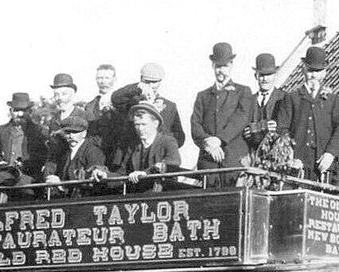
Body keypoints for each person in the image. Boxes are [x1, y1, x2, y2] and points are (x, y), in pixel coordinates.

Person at [190, 43, 253, 187]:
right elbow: (195, 125)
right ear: (212, 66)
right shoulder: (203, 96)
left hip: (233, 162)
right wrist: (208, 143)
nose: (221, 70)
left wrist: (219, 140)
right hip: (208, 164)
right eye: (218, 66)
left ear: (231, 65)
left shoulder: (243, 92)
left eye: (224, 66)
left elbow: (241, 119)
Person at [275, 46, 339, 179]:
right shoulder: (292, 98)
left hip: (323, 164)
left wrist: (330, 154)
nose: (313, 75)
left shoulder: (332, 100)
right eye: (310, 70)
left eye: (318, 71)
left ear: (324, 73)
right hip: (297, 163)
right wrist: (290, 156)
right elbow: (282, 129)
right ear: (303, 70)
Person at [111, 62, 187, 149]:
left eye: (154, 82)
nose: (151, 85)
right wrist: (137, 87)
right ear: (141, 80)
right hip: (132, 154)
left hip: (157, 157)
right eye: (147, 82)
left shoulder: (170, 106)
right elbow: (115, 98)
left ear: (160, 82)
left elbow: (179, 136)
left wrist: (166, 149)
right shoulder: (130, 103)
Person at [115, 102, 181, 192]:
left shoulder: (168, 141)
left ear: (155, 124)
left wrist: (145, 173)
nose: (140, 129)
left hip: (163, 193)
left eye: (144, 124)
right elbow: (122, 173)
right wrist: (104, 173)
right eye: (137, 125)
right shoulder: (133, 146)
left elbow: (173, 162)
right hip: (138, 195)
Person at [0, 92, 48, 188]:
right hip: (3, 181)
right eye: (16, 110)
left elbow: (44, 158)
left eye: (24, 110)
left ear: (30, 111)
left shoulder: (40, 132)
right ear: (11, 111)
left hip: (29, 183)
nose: (20, 114)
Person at [43, 115, 109, 189]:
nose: (71, 136)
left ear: (84, 133)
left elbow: (93, 180)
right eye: (67, 132)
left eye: (75, 132)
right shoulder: (64, 151)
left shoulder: (93, 152)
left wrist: (61, 185)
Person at [244, 53, 286, 150]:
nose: (265, 79)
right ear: (256, 76)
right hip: (253, 156)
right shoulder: (248, 101)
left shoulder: (284, 98)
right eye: (262, 75)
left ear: (275, 75)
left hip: (278, 155)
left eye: (269, 75)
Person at [84, 63, 122, 162]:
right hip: (95, 155)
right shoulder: (89, 106)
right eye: (99, 78)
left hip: (117, 155)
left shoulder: (122, 103)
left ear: (115, 79)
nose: (103, 81)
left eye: (106, 78)